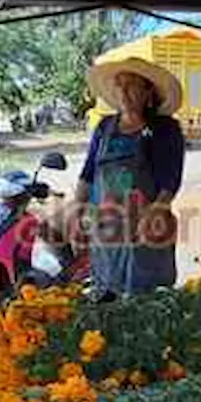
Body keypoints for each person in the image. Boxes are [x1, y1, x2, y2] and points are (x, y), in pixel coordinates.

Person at [75, 58, 186, 297]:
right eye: (119, 85)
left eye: (132, 85)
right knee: (106, 292)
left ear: (148, 92)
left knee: (144, 298)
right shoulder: (105, 127)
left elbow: (171, 180)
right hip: (105, 229)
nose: (123, 91)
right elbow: (87, 175)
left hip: (146, 229)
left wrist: (155, 211)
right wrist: (77, 212)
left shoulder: (164, 129)